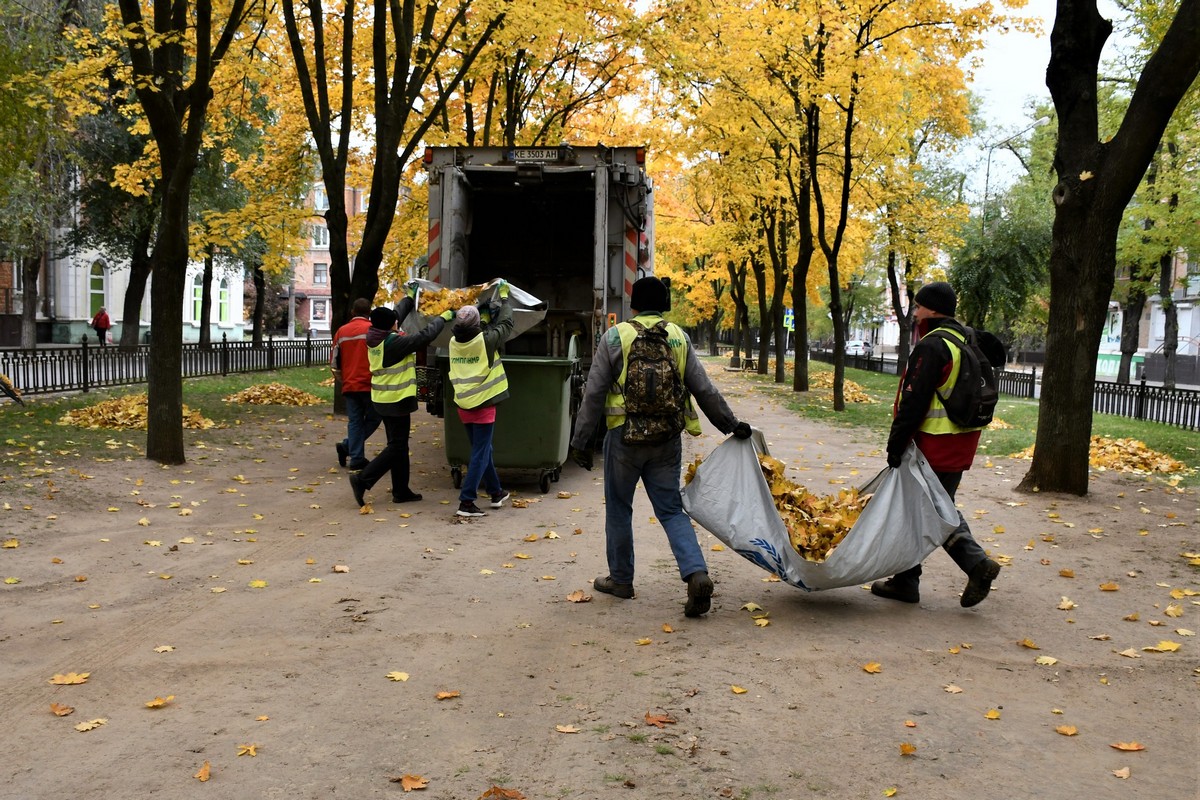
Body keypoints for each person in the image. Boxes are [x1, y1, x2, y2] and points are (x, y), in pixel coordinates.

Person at [568, 276, 753, 618]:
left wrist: (579, 442)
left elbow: (593, 393)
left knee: (620, 509)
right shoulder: (679, 337)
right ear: (664, 305)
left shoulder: (616, 336)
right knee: (670, 510)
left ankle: (621, 581)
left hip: (623, 438)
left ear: (633, 305)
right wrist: (731, 425)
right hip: (666, 440)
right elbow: (703, 389)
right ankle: (696, 573)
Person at [873, 281, 1002, 608]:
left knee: (934, 510)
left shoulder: (933, 346)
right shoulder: (964, 338)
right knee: (924, 509)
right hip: (961, 442)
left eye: (918, 307)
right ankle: (906, 581)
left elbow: (913, 402)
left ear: (931, 309)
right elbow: (997, 353)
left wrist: (896, 445)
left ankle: (976, 564)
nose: (914, 314)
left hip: (932, 446)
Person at [349, 295, 453, 507]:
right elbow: (424, 336)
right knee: (396, 446)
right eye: (395, 322)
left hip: (383, 400)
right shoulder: (394, 344)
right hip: (395, 402)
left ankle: (401, 490)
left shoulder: (375, 335)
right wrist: (443, 318)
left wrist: (409, 297)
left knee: (398, 444)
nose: (398, 322)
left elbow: (394, 315)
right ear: (390, 327)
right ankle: (362, 480)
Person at [449, 282, 515, 518]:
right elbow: (506, 325)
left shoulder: (454, 341)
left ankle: (496, 492)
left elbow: (479, 333)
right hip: (483, 403)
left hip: (463, 404)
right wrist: (505, 301)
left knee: (483, 449)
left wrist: (483, 315)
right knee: (480, 452)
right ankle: (466, 501)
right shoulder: (485, 341)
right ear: (476, 325)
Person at [331, 298, 382, 471]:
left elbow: (334, 362)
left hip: (350, 384)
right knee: (374, 417)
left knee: (355, 421)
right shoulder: (373, 331)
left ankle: (353, 452)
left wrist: (343, 379)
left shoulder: (341, 332)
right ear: (369, 312)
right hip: (370, 384)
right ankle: (350, 450)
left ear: (353, 311)